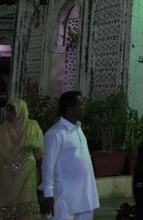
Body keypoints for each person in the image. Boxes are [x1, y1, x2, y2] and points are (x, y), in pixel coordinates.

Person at [41, 90, 100, 219]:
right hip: (64, 198)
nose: (82, 107)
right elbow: (48, 166)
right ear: (70, 109)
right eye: (80, 104)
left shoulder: (78, 129)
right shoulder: (55, 134)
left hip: (85, 195)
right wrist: (48, 194)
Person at [0, 98, 44, 219]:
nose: (8, 113)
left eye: (12, 110)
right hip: (5, 181)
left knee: (28, 213)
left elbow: (40, 156)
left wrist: (44, 179)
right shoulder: (0, 130)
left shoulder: (33, 127)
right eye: (7, 110)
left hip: (27, 179)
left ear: (21, 111)